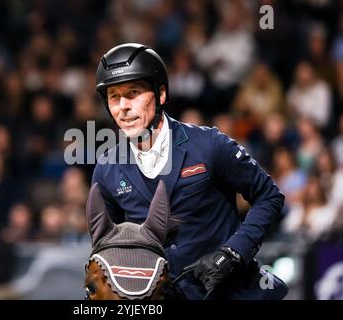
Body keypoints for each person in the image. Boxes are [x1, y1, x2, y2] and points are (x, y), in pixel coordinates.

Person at [91, 43, 288, 299]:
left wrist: (233, 252)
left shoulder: (210, 145)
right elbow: (113, 243)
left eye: (134, 92)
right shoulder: (107, 169)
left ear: (161, 94)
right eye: (114, 97)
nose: (123, 106)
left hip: (231, 292)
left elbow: (269, 197)